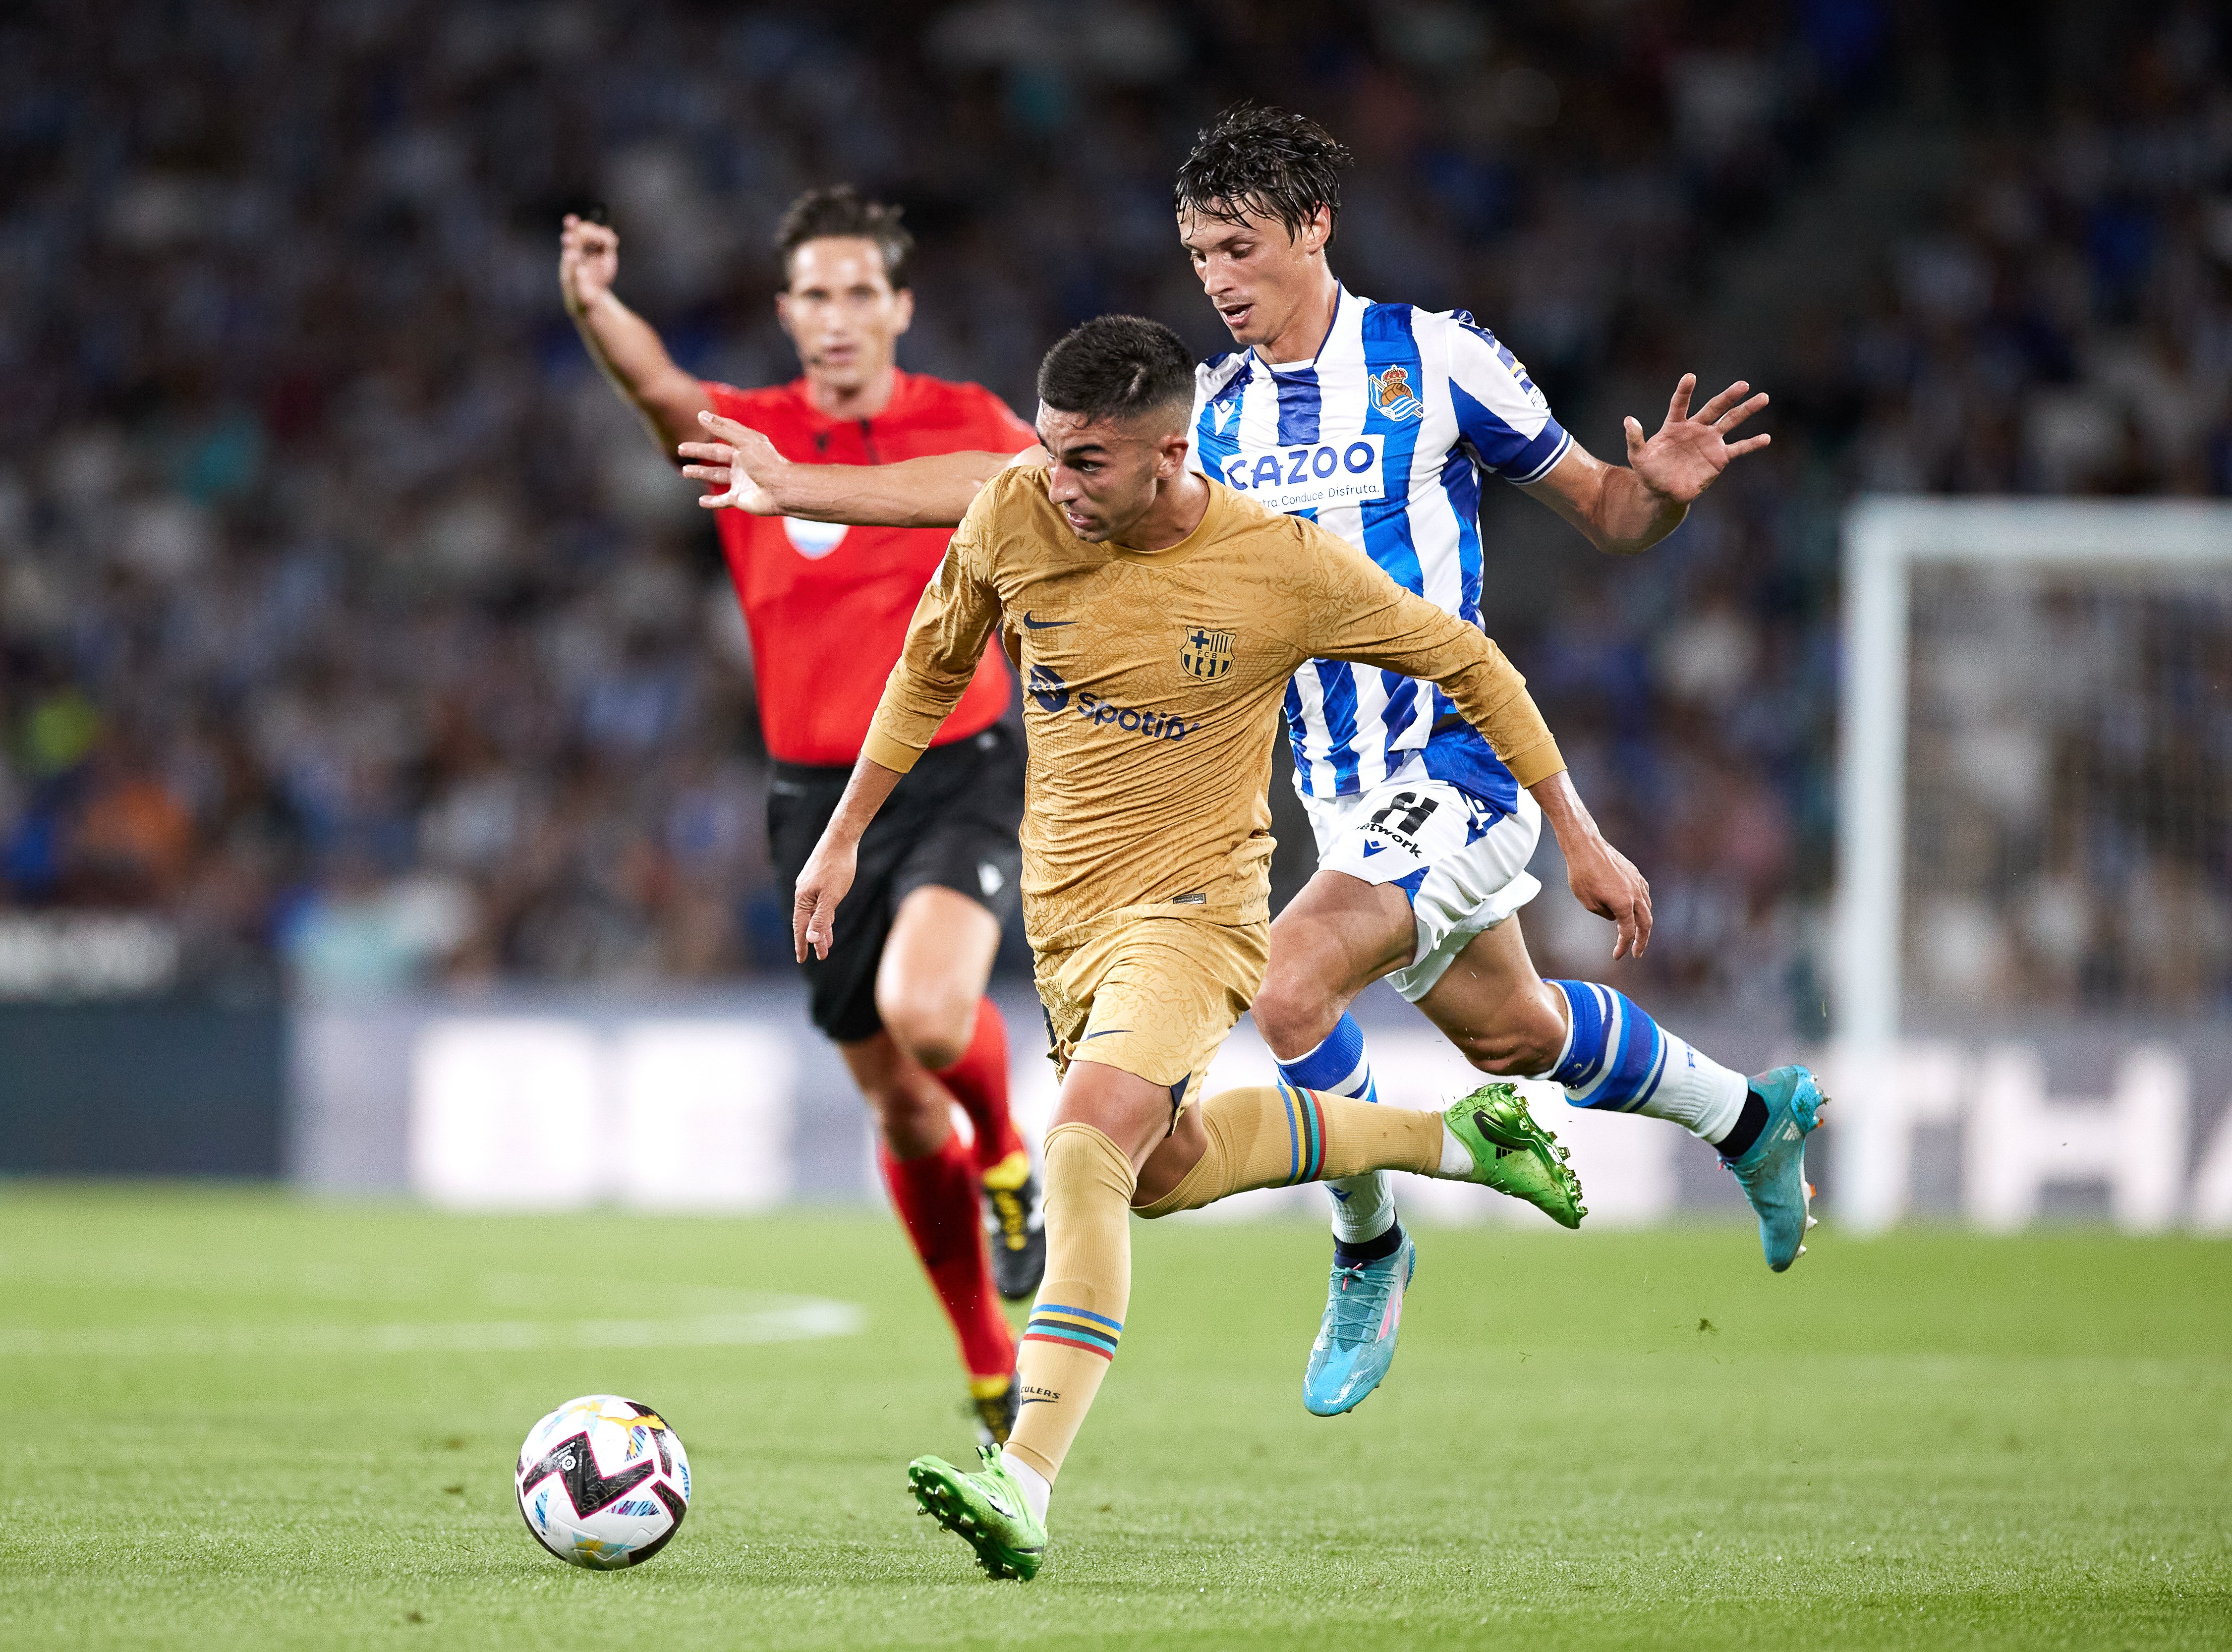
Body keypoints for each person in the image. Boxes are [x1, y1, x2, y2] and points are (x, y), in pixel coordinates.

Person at [679, 109, 1824, 1424]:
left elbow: (1611, 513)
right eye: (1197, 252)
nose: (1218, 277)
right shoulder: (1202, 417)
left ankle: (1371, 1243)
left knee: (1287, 985)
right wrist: (799, 487)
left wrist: (1661, 495)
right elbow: (1010, 479)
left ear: (1315, 228)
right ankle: (1749, 1116)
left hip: (1456, 757)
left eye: (1240, 246)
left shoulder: (1433, 360)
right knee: (1515, 1032)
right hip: (1338, 793)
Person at [793, 315, 1607, 1581]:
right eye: (1053, 454)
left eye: (1089, 465)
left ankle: (1022, 1478)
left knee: (1079, 1146)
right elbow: (928, 663)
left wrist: (1580, 835)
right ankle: (1459, 1137)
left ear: (1171, 451)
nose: (1059, 484)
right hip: (1068, 926)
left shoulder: (1281, 563)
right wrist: (843, 836)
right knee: (1158, 1170)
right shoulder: (1015, 509)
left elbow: (1470, 663)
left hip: (1195, 912)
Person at [559, 186, 1046, 1447]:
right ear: (787, 313)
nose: (834, 318)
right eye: (812, 296)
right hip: (814, 799)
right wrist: (597, 304)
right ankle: (988, 1359)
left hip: (960, 765)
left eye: (857, 293)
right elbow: (657, 385)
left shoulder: (961, 421)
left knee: (927, 1011)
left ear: (899, 307)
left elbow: (1035, 480)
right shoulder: (752, 432)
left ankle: (1006, 1158)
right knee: (893, 1105)